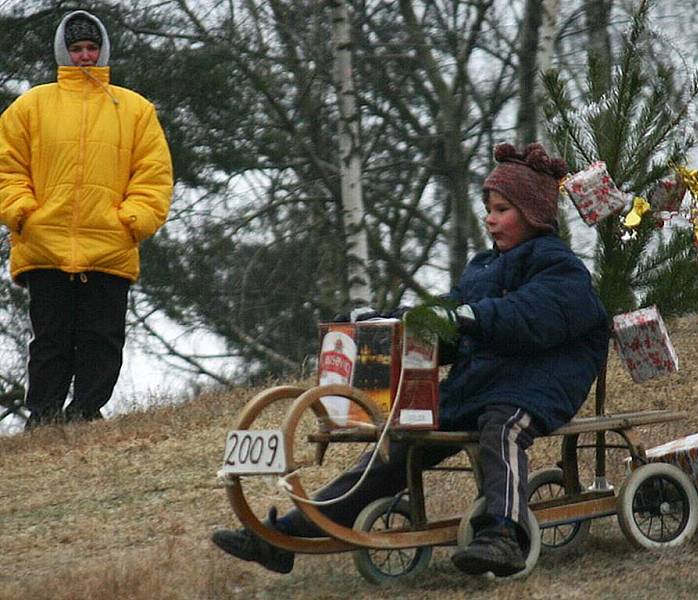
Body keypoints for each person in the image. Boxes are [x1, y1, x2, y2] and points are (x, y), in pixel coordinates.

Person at [211, 142, 609, 577]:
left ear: (533, 214)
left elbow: (530, 317)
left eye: (502, 209)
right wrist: (387, 323)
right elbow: (443, 320)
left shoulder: (562, 269)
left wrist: (470, 316)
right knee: (399, 446)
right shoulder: (482, 268)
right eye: (489, 209)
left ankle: (503, 534)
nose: (491, 219)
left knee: (503, 428)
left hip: (536, 387)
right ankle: (289, 533)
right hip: (478, 386)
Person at [0, 11, 173, 428]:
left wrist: (131, 222)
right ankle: (42, 417)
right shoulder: (30, 106)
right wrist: (24, 214)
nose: (84, 56)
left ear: (103, 50)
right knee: (49, 340)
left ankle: (86, 413)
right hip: (45, 245)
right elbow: (7, 168)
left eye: (90, 48)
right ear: (64, 51)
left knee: (103, 337)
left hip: (109, 246)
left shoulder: (135, 110)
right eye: (76, 48)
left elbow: (154, 175)